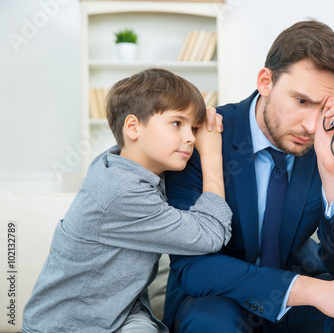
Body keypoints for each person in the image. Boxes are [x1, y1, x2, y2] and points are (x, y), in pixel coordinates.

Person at [162, 20, 334, 333]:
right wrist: (312, 290)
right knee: (210, 324)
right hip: (216, 297)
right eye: (301, 101)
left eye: (324, 109)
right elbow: (192, 266)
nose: (312, 126)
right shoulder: (203, 136)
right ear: (265, 81)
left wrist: (332, 172)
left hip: (296, 292)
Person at [22, 68, 232, 333]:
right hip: (67, 326)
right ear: (133, 127)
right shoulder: (121, 192)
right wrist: (212, 156)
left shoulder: (118, 163)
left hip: (122, 312)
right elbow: (210, 235)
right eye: (177, 123)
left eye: (194, 127)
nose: (191, 137)